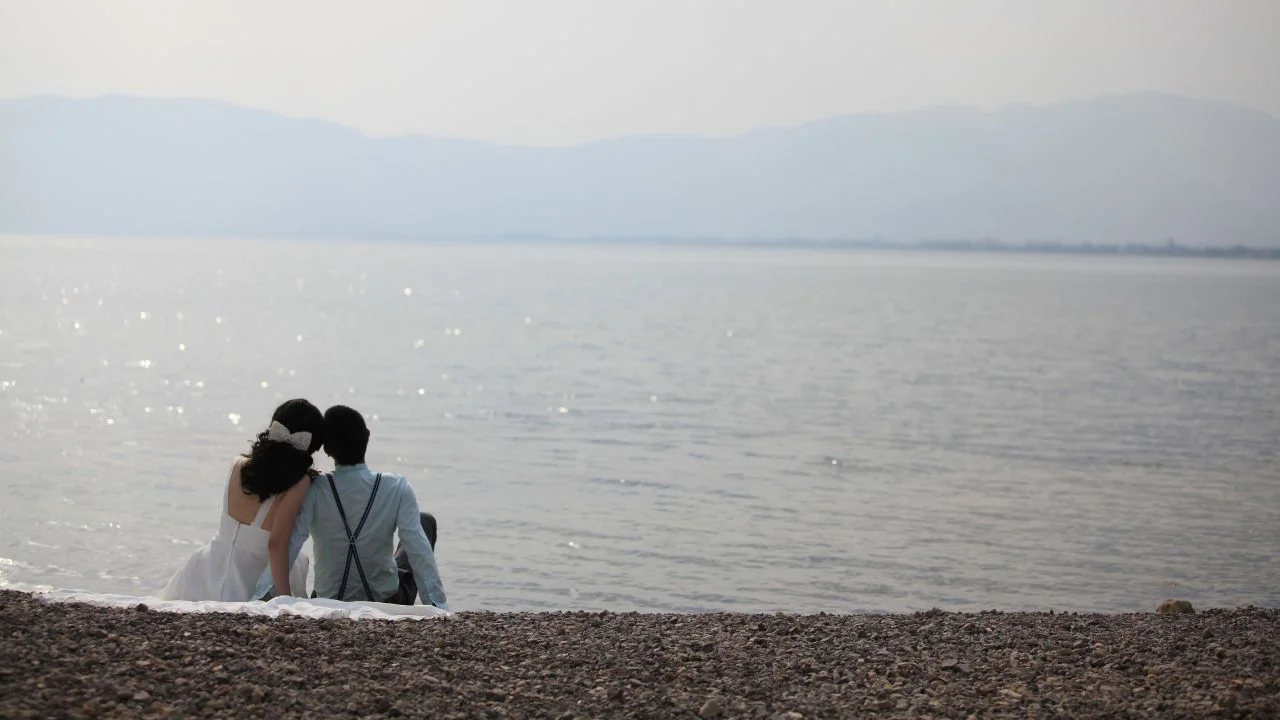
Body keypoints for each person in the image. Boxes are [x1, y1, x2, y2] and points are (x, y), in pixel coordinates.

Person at [254, 405, 447, 608]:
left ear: (327, 450)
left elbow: (291, 545)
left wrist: (263, 596)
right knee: (424, 522)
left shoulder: (314, 489)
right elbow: (418, 551)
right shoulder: (396, 486)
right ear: (367, 436)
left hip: (326, 601)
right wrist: (438, 608)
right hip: (385, 601)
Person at [161, 399, 323, 601]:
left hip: (203, 572)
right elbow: (276, 544)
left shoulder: (239, 463)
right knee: (297, 560)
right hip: (248, 580)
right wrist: (285, 599)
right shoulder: (300, 482)